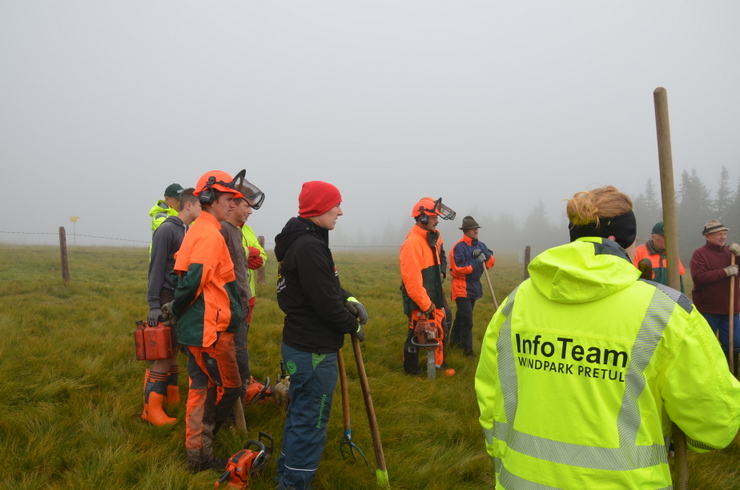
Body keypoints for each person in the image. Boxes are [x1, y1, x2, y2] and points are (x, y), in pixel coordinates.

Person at [475, 186, 740, 489]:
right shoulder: (665, 312)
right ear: (627, 239)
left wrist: (499, 453)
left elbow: (490, 393)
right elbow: (715, 425)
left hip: (521, 479)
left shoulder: (517, 301)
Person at [274, 181, 367, 489]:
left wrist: (348, 297)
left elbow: (325, 286)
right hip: (313, 349)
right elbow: (326, 305)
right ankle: (294, 484)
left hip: (299, 344)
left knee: (300, 414)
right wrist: (352, 326)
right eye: (335, 205)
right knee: (311, 422)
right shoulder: (309, 247)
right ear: (319, 208)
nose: (340, 212)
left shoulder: (306, 240)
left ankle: (285, 475)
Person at [165, 170, 246, 472]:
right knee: (226, 388)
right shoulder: (210, 234)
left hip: (202, 326)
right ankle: (201, 453)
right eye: (228, 199)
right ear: (210, 198)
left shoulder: (201, 228)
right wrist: (177, 309)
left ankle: (199, 451)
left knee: (202, 388)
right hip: (209, 330)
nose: (233, 204)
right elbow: (192, 280)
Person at [142, 188, 201, 426]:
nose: (203, 209)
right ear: (188, 205)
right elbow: (156, 266)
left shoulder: (187, 230)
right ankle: (150, 409)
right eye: (200, 205)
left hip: (179, 299)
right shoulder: (167, 229)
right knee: (164, 352)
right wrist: (154, 304)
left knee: (174, 349)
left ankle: (171, 397)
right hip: (165, 298)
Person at [400, 197, 456, 376]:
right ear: (422, 218)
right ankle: (411, 372)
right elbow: (412, 281)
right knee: (417, 331)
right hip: (420, 296)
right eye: (433, 217)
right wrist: (425, 304)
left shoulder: (432, 236)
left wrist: (441, 274)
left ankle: (439, 365)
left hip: (434, 291)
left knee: (441, 325)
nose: (437, 221)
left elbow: (441, 257)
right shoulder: (413, 243)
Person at [690, 219, 740, 358]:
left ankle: (731, 370)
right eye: (718, 234)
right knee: (707, 345)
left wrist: (738, 255)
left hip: (731, 309)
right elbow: (699, 277)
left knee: (734, 345)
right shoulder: (699, 254)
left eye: (724, 233)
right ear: (707, 236)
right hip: (708, 309)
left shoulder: (731, 253)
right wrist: (725, 272)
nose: (723, 237)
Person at [449, 216, 495, 358]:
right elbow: (457, 269)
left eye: (476, 228)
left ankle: (454, 342)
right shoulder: (459, 247)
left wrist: (485, 255)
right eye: (472, 229)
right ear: (466, 231)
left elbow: (490, 263)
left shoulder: (481, 245)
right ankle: (467, 351)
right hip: (461, 287)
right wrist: (476, 261)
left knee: (461, 317)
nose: (476, 231)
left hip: (474, 286)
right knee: (467, 320)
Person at [631, 221, 686, 291]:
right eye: (664, 237)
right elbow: (631, 281)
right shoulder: (637, 253)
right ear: (653, 237)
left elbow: (679, 283)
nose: (668, 240)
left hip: (668, 297)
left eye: (671, 237)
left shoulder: (673, 254)